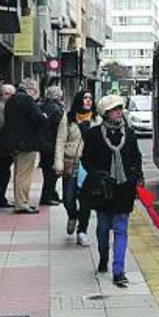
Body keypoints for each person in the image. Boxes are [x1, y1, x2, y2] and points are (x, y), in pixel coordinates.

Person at [82, 95, 143, 288]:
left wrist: (134, 176)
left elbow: (136, 157)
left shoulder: (130, 134)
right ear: (105, 113)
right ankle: (103, 257)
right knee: (102, 229)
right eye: (115, 109)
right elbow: (86, 159)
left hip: (124, 189)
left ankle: (119, 270)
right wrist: (98, 176)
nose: (119, 112)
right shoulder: (93, 134)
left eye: (120, 109)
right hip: (103, 190)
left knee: (121, 229)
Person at [54, 90, 99, 246]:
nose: (88, 101)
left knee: (85, 200)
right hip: (70, 163)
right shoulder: (68, 118)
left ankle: (82, 231)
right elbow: (60, 141)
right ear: (79, 100)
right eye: (85, 98)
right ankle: (72, 215)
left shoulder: (97, 119)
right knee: (68, 197)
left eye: (90, 98)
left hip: (89, 165)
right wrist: (58, 162)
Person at [5, 78, 47, 214]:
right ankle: (22, 203)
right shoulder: (27, 100)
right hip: (27, 143)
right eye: (35, 90)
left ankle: (19, 201)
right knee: (25, 174)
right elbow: (37, 118)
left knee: (18, 173)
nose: (35, 93)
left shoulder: (11, 100)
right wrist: (44, 116)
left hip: (14, 142)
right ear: (30, 89)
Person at [39, 86, 65, 206]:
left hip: (44, 143)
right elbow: (59, 127)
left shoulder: (42, 105)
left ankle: (51, 194)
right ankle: (47, 196)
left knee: (48, 171)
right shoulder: (56, 108)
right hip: (52, 143)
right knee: (51, 173)